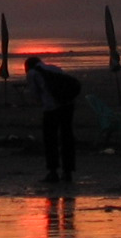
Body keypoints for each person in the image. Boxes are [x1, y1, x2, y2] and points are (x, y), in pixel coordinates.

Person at [24, 55, 80, 183]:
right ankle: (68, 172)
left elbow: (35, 95)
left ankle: (53, 172)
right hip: (68, 105)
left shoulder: (32, 73)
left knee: (50, 139)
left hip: (51, 108)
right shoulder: (54, 68)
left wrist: (43, 102)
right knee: (67, 137)